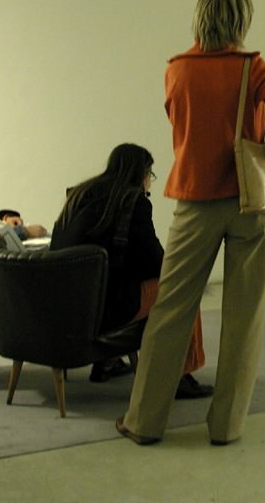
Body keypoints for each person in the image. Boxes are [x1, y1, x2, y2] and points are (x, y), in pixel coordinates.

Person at [117, 0, 265, 446]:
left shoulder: (177, 70)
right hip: (250, 203)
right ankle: (226, 427)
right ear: (241, 21)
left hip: (195, 203)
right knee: (243, 317)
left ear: (199, 18)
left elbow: (182, 126)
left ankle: (144, 421)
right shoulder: (252, 68)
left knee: (170, 311)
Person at [50, 143, 212, 396]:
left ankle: (107, 361)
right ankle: (179, 376)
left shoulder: (79, 195)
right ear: (143, 173)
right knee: (183, 288)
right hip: (109, 307)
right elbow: (152, 260)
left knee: (117, 281)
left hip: (68, 304)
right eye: (151, 174)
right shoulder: (132, 202)